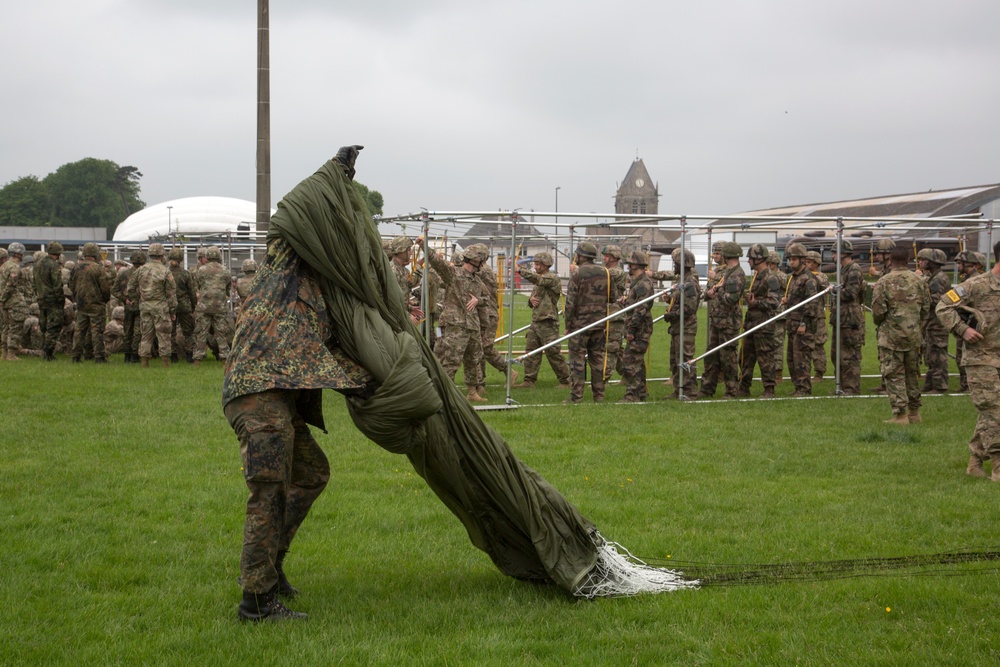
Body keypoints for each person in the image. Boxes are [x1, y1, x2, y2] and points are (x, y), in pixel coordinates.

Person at [936, 241, 1000, 478]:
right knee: (995, 411)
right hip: (981, 359)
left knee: (989, 412)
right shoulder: (975, 285)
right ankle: (998, 465)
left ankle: (975, 461)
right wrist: (962, 329)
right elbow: (943, 306)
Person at [416, 238, 486, 402]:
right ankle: (444, 394)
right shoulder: (454, 274)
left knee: (473, 359)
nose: (483, 264)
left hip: (472, 326)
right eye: (483, 260)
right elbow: (437, 261)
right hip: (454, 326)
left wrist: (478, 300)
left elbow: (486, 300)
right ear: (477, 260)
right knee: (450, 360)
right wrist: (423, 246)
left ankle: (472, 392)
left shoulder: (477, 280)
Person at [871, 245, 930, 424]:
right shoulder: (919, 281)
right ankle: (914, 412)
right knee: (912, 373)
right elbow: (926, 308)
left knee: (893, 374)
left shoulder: (884, 281)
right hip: (913, 335)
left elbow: (878, 311)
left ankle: (900, 414)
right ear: (908, 260)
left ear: (890, 259)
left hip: (891, 336)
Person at [563, 241, 620, 403]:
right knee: (597, 360)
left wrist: (568, 326)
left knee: (577, 359)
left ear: (580, 256)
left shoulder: (578, 274)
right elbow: (613, 297)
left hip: (580, 325)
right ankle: (599, 396)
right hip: (600, 323)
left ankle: (576, 396)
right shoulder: (606, 273)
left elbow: (570, 302)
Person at [467, 243, 517, 396]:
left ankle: (508, 370)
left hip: (488, 313)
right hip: (481, 312)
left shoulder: (484, 271)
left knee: (485, 347)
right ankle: (479, 384)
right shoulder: (480, 270)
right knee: (478, 348)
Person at [514, 251, 570, 388]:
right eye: (535, 264)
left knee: (553, 352)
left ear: (546, 265)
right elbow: (534, 299)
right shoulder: (539, 280)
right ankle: (529, 380)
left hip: (548, 321)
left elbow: (538, 280)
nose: (536, 267)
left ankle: (566, 380)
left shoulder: (551, 278)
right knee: (531, 351)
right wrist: (530, 300)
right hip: (536, 321)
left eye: (538, 265)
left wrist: (520, 271)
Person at [699, 241, 745, 399]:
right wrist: (713, 292)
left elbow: (732, 298)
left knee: (728, 357)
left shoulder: (737, 274)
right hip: (718, 320)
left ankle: (732, 391)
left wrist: (717, 294)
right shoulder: (728, 273)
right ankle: (707, 389)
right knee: (711, 356)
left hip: (728, 323)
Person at [653, 248, 700, 399]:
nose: (674, 266)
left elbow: (689, 308)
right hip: (677, 327)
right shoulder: (682, 281)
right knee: (675, 360)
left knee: (685, 359)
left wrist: (673, 315)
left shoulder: (690, 283)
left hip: (686, 327)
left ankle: (690, 390)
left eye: (676, 263)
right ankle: (678, 389)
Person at [738, 243, 782, 398]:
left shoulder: (771, 277)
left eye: (750, 258)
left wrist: (754, 302)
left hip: (763, 324)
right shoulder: (757, 276)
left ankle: (769, 389)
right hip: (752, 323)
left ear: (758, 259)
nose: (748, 261)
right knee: (745, 356)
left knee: (765, 358)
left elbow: (774, 302)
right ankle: (744, 387)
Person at [782, 242, 823, 396]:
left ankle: (804, 388)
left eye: (794, 259)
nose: (791, 262)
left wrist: (803, 323)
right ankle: (798, 387)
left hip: (803, 326)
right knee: (792, 359)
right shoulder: (794, 277)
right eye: (790, 259)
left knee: (801, 359)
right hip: (792, 324)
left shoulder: (809, 279)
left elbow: (812, 303)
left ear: (802, 260)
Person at [127, 242, 177, 368]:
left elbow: (130, 288)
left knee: (146, 335)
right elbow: (171, 294)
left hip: (145, 306)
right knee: (164, 335)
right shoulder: (165, 271)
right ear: (162, 255)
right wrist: (172, 310)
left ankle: (144, 363)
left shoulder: (141, 270)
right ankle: (165, 363)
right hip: (161, 307)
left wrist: (139, 299)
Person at [830, 240, 866, 395]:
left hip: (850, 320)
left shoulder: (854, 270)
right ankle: (843, 386)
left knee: (849, 356)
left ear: (843, 253)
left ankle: (851, 388)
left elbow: (851, 293)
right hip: (841, 318)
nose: (833, 256)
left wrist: (834, 291)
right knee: (837, 355)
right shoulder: (843, 270)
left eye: (835, 252)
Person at [618, 251, 653, 402]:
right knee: (637, 362)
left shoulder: (643, 283)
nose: (628, 267)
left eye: (630, 264)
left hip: (639, 329)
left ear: (637, 265)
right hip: (637, 327)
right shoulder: (638, 282)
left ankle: (632, 395)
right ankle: (641, 392)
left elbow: (641, 308)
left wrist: (631, 330)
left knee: (630, 362)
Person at [69, 242, 111, 363]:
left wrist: (78, 296)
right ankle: (99, 357)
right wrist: (104, 300)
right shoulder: (98, 268)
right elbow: (105, 288)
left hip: (81, 304)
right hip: (96, 305)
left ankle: (75, 356)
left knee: (79, 331)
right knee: (97, 332)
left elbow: (70, 285)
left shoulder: (76, 268)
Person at [917, 248, 952, 393]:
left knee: (937, 355)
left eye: (922, 260)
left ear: (931, 262)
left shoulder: (938, 279)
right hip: (931, 322)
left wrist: (918, 299)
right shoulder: (934, 277)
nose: (920, 263)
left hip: (936, 323)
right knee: (931, 354)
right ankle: (931, 384)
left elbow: (935, 301)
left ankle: (939, 386)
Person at [193, 246, 233, 364]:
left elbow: (198, 286)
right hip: (220, 306)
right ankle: (224, 359)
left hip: (204, 306)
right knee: (221, 333)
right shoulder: (225, 270)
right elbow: (228, 288)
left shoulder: (201, 270)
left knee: (201, 332)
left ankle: (197, 360)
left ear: (208, 256)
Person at [953, 251, 985, 392]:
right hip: (965, 324)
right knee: (962, 357)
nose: (958, 266)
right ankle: (966, 385)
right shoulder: (967, 280)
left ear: (969, 264)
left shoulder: (974, 281)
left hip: (972, 325)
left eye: (960, 263)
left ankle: (970, 386)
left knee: (970, 358)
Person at [600, 245, 627, 380]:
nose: (603, 258)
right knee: (617, 348)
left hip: (614, 314)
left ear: (613, 257)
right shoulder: (607, 270)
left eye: (606, 256)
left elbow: (602, 275)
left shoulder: (617, 272)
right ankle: (628, 375)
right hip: (606, 312)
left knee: (611, 347)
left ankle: (603, 377)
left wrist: (581, 270)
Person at [34, 241, 65, 361]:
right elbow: (57, 285)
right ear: (58, 253)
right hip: (53, 300)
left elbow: (34, 283)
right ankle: (48, 354)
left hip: (41, 298)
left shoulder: (37, 264)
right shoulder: (53, 265)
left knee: (44, 325)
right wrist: (61, 300)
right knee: (54, 326)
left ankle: (44, 350)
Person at [168, 248, 198, 363]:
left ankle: (173, 355)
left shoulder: (165, 273)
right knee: (188, 332)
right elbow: (191, 291)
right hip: (184, 305)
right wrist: (193, 305)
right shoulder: (185, 274)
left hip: (170, 306)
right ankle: (189, 355)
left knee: (171, 332)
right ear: (180, 259)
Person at [116, 250, 145, 363]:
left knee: (128, 331)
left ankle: (128, 355)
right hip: (140, 306)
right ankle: (133, 355)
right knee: (137, 332)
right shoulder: (146, 273)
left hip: (130, 307)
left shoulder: (124, 273)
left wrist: (124, 299)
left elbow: (115, 290)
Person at [0, 242, 28, 360]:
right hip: (14, 301)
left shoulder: (4, 266)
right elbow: (11, 284)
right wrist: (3, 299)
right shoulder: (14, 267)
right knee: (15, 328)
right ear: (19, 254)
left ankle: (4, 353)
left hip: (6, 302)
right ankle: (11, 354)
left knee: (6, 327)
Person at [805, 251, 830, 382]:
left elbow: (824, 286)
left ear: (816, 263)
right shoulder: (803, 275)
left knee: (818, 344)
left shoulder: (821, 276)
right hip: (805, 315)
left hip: (818, 316)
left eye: (809, 262)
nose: (806, 264)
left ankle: (819, 372)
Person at [767, 251, 789, 383]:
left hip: (779, 314)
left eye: (770, 263)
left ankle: (778, 372)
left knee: (778, 344)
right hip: (767, 313)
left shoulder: (782, 276)